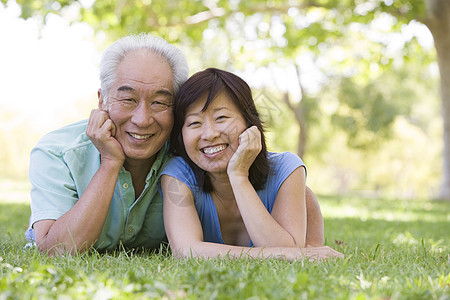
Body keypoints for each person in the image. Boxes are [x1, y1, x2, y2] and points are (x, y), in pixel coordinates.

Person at [26, 33, 189, 255]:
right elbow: (55, 251)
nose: (142, 119)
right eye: (128, 99)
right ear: (102, 100)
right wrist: (110, 162)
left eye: (159, 102)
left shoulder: (187, 153)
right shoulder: (56, 151)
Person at [160, 68, 344, 260]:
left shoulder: (287, 169)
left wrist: (239, 176)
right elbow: (186, 251)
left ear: (249, 123)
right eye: (194, 123)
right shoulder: (177, 174)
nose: (209, 134)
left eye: (221, 118)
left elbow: (286, 251)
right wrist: (288, 254)